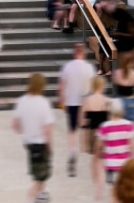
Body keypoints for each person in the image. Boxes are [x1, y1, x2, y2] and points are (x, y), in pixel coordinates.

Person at [12, 73, 55, 203]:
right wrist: (50, 147)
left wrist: (26, 130)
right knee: (40, 179)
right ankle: (31, 199)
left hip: (29, 143)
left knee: (40, 177)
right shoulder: (43, 103)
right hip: (41, 144)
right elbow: (48, 129)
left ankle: (39, 198)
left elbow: (15, 125)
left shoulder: (22, 101)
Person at [57, 43, 96, 178]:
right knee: (87, 129)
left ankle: (73, 152)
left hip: (72, 102)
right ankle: (90, 154)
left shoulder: (67, 67)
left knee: (73, 131)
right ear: (84, 53)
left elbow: (62, 86)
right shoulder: (89, 68)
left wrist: (61, 99)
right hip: (85, 102)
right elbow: (93, 86)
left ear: (74, 53)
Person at [81, 76, 110, 202]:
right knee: (101, 161)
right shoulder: (107, 101)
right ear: (102, 86)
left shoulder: (87, 101)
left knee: (94, 159)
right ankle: (100, 188)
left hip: (92, 133)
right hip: (104, 133)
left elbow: (83, 122)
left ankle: (95, 182)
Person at [97, 99, 134, 186]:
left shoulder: (104, 126)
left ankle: (110, 177)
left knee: (111, 184)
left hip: (110, 162)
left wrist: (100, 154)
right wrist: (133, 158)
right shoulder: (129, 125)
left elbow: (100, 145)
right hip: (125, 161)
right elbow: (132, 146)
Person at [100, 6, 134, 76]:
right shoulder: (120, 21)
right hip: (121, 39)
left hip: (129, 42)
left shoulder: (130, 21)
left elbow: (132, 35)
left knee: (111, 47)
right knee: (103, 43)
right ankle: (101, 67)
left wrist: (119, 34)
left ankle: (110, 69)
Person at [112, 51, 134, 122]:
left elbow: (115, 83)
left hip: (119, 101)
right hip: (130, 101)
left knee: (118, 122)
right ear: (132, 62)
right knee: (130, 123)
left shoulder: (117, 73)